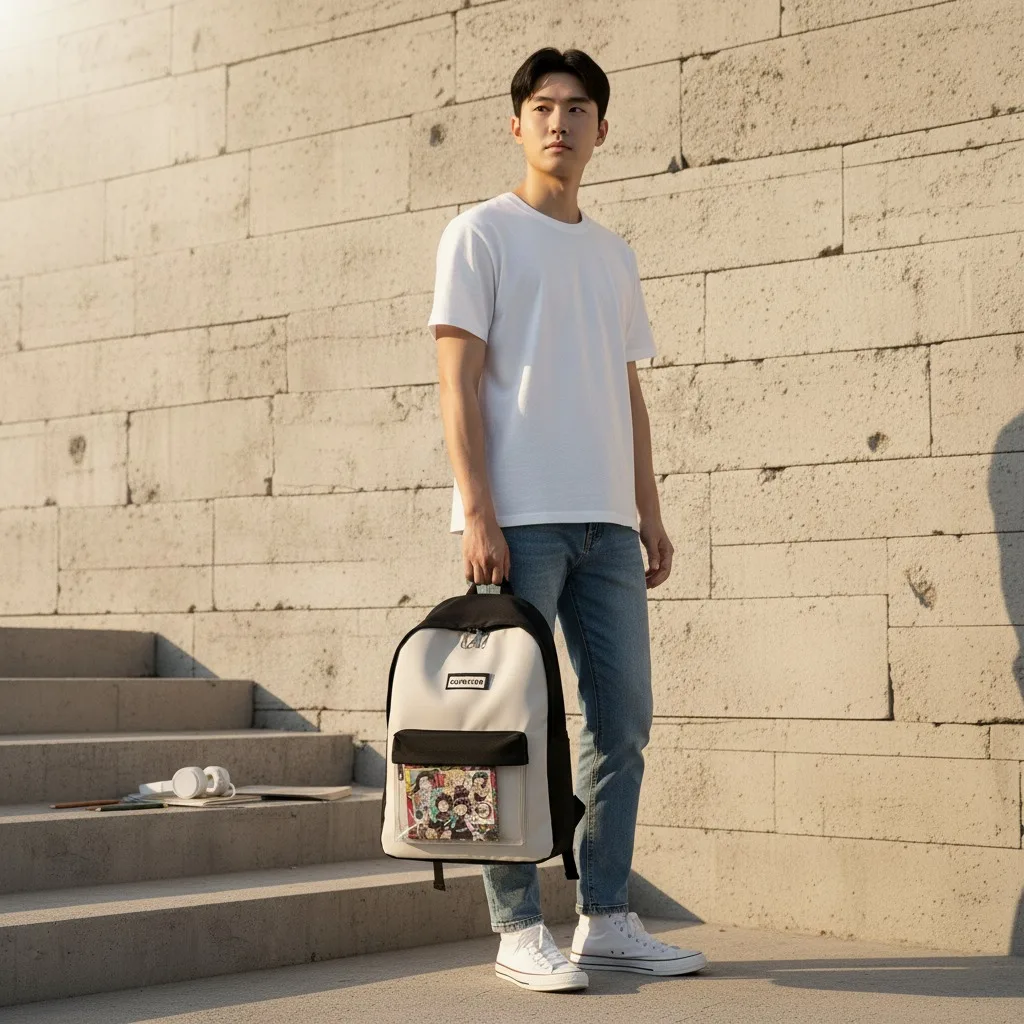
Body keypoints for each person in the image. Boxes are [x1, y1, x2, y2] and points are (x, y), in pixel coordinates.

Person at [426, 46, 708, 992]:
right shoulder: (479, 235)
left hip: (607, 527)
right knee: (506, 722)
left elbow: (626, 391)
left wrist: (647, 511)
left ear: (601, 128)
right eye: (543, 106)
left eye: (578, 107)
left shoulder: (613, 254)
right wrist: (478, 511)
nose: (560, 121)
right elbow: (457, 383)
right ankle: (516, 927)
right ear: (516, 124)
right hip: (520, 523)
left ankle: (606, 917)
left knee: (621, 723)